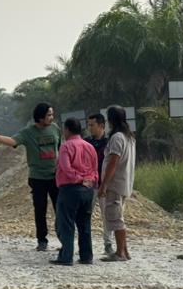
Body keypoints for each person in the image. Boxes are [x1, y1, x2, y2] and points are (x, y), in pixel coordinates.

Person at [0, 102, 61, 251]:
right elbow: (13, 141)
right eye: (49, 115)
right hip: (37, 178)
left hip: (56, 177)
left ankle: (63, 238)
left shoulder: (55, 129)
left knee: (60, 209)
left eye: (52, 114)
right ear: (40, 117)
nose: (52, 117)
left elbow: (61, 149)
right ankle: (42, 241)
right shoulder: (28, 132)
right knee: (40, 209)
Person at [53, 117, 99, 265]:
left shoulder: (66, 147)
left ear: (67, 129)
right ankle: (86, 256)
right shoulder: (90, 146)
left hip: (70, 189)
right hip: (88, 190)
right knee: (84, 224)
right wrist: (90, 180)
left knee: (66, 224)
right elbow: (95, 168)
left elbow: (66, 169)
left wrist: (79, 179)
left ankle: (66, 257)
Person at [98, 105, 136, 262]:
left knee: (115, 218)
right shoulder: (129, 137)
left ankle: (120, 252)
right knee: (118, 216)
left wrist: (104, 185)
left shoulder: (117, 138)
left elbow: (113, 162)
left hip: (115, 184)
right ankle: (124, 251)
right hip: (124, 183)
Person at [85, 112, 113, 255]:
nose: (89, 128)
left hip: (104, 183)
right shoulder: (86, 142)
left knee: (107, 215)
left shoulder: (109, 142)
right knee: (85, 215)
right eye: (88, 125)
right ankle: (85, 244)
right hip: (89, 184)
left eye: (92, 125)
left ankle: (108, 244)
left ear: (101, 125)